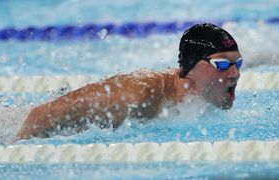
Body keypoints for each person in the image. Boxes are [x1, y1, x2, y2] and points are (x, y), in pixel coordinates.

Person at [16, 23, 242, 140]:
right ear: (191, 66)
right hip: (12, 126)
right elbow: (38, 117)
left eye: (238, 64)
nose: (235, 74)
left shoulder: (202, 102)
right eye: (222, 64)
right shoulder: (137, 95)